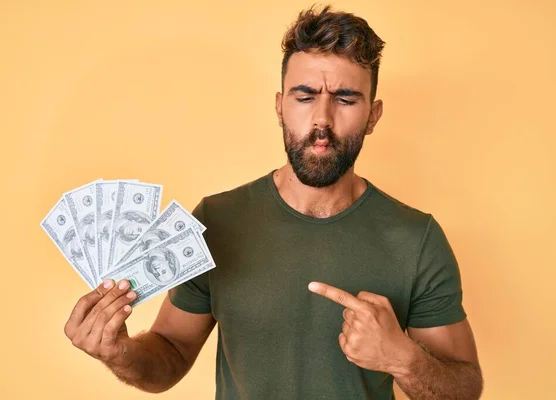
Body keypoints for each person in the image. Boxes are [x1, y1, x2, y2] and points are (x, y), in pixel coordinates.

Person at [63, 5, 483, 399]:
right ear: (280, 107)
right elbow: (171, 353)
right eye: (304, 96)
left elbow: (465, 387)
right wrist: (117, 351)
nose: (322, 119)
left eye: (345, 99)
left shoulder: (417, 239)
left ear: (373, 116)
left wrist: (400, 358)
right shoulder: (217, 220)